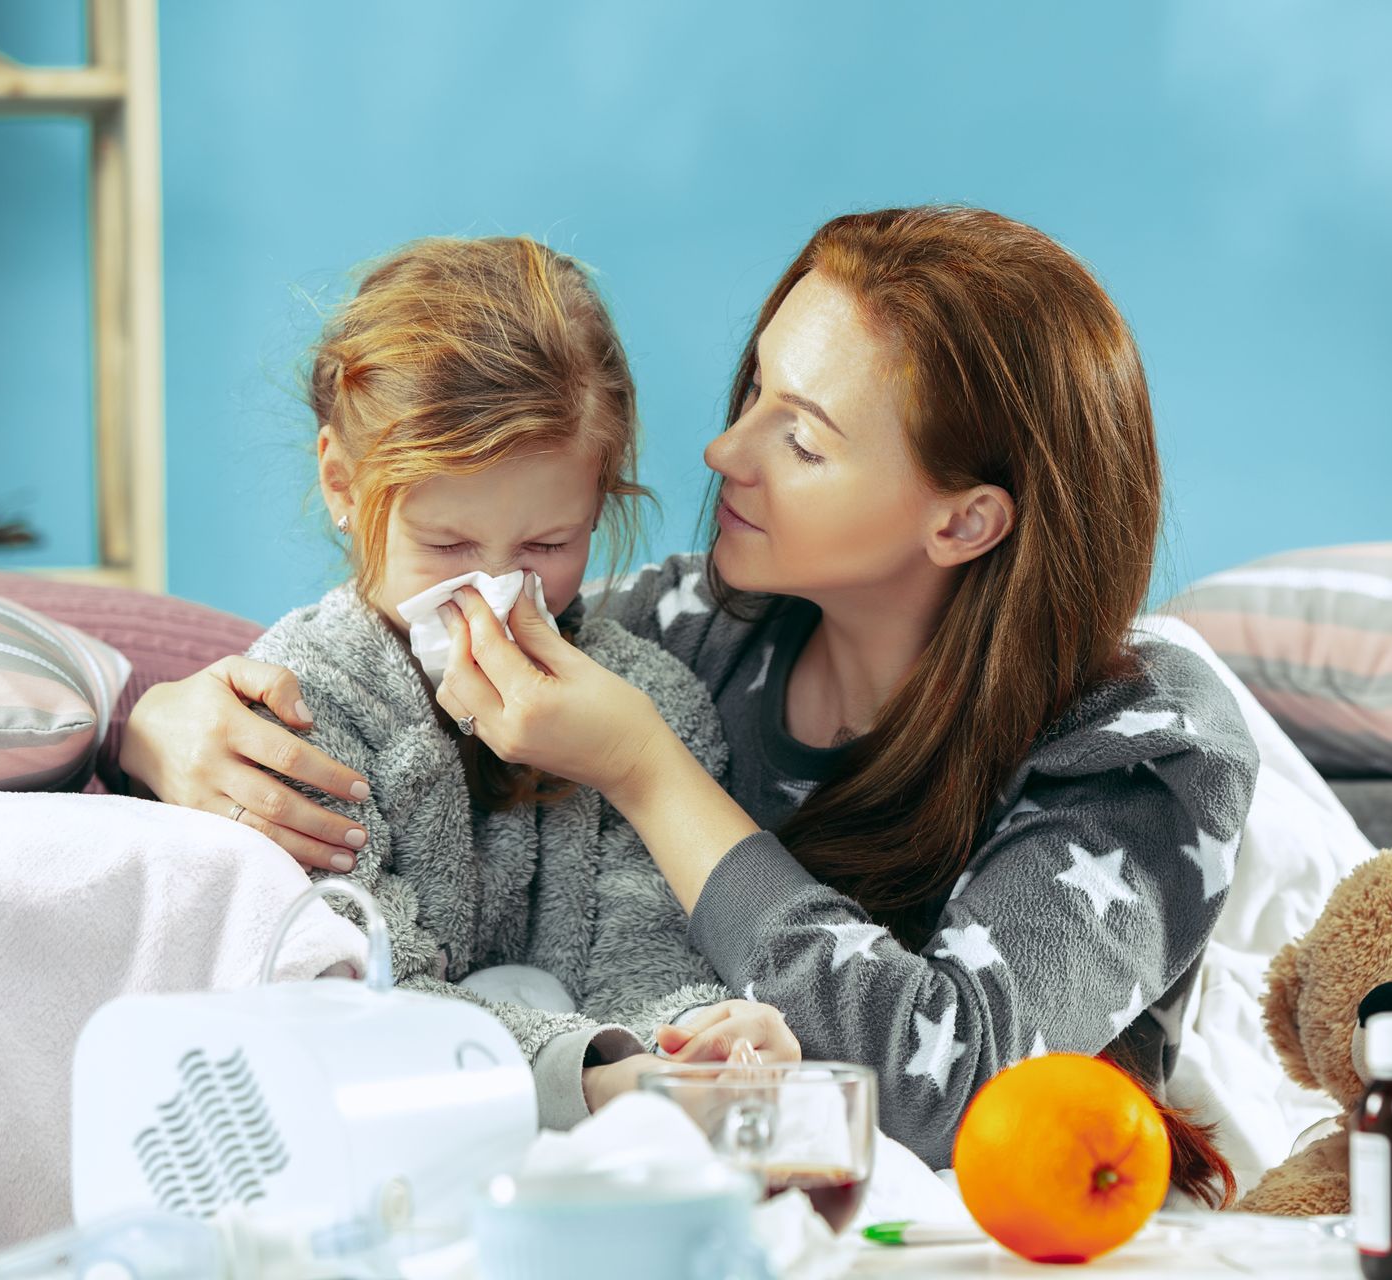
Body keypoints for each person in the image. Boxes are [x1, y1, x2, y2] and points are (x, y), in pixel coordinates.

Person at [121, 207, 1260, 1194]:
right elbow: (374, 642)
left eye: (800, 436)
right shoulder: (694, 627)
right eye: (755, 385)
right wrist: (156, 726)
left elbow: (963, 1089)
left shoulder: (1143, 739)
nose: (722, 447)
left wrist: (650, 770)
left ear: (963, 519)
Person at [234, 234, 798, 1130]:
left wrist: (700, 1041)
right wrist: (596, 1081)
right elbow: (357, 992)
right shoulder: (299, 707)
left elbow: (643, 958)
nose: (494, 595)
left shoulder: (649, 702)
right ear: (343, 483)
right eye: (447, 546)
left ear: (601, 502)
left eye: (546, 547)